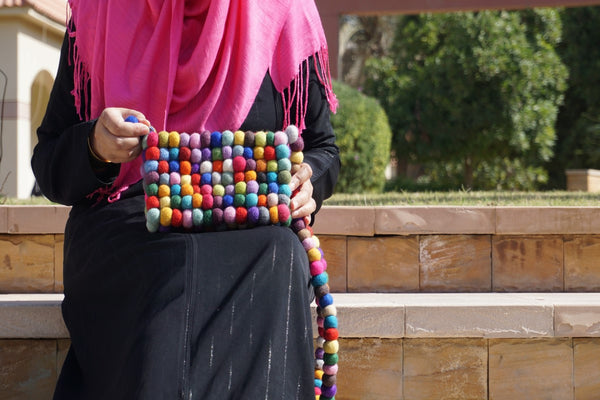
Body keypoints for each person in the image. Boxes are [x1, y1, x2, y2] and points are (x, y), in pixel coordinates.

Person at [31, 1, 340, 399]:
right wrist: (95, 146)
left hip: (251, 228)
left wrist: (308, 178)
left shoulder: (283, 10)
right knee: (169, 264)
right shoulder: (100, 11)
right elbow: (49, 161)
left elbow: (323, 149)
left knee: (279, 253)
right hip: (128, 226)